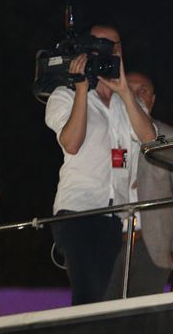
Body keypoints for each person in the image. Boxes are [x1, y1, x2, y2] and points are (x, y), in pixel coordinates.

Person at [45, 25, 157, 305]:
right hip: (77, 210)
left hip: (114, 216)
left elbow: (149, 140)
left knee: (106, 299)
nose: (108, 51)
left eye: (114, 45)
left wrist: (125, 91)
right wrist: (82, 90)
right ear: (87, 49)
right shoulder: (64, 95)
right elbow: (71, 143)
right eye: (100, 44)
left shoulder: (127, 103)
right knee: (88, 294)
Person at [105, 72, 173, 298]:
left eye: (143, 91)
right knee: (102, 309)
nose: (136, 95)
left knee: (143, 311)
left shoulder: (170, 137)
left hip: (151, 243)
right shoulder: (104, 133)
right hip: (107, 239)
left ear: (153, 100)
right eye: (129, 89)